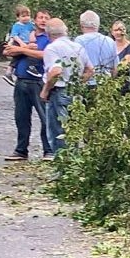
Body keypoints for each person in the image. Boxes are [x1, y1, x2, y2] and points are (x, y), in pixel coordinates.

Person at [2, 9, 51, 161]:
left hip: (39, 82)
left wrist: (21, 50)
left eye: (46, 18)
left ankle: (48, 150)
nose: (43, 20)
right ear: (34, 21)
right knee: (21, 117)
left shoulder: (49, 38)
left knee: (45, 117)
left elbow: (45, 55)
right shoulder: (26, 34)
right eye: (40, 18)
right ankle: (21, 150)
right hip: (21, 80)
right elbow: (8, 52)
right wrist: (24, 49)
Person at [39, 18, 92, 156]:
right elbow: (90, 70)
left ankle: (62, 162)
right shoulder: (78, 47)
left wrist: (45, 90)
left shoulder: (52, 48)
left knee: (59, 131)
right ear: (65, 31)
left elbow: (56, 71)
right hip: (75, 91)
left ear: (48, 34)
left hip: (59, 91)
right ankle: (73, 160)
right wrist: (79, 83)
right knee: (72, 129)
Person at [74, 10, 119, 85]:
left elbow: (76, 66)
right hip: (106, 84)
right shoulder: (110, 41)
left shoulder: (79, 41)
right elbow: (116, 68)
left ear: (82, 25)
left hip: (87, 84)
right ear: (98, 24)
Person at [1, 5, 35, 86]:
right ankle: (9, 72)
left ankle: (28, 68)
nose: (26, 18)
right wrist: (21, 43)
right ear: (18, 17)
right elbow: (14, 35)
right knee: (18, 57)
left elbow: (34, 30)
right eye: (23, 16)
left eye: (28, 16)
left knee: (25, 56)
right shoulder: (17, 25)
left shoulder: (30, 24)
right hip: (18, 42)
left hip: (27, 43)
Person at [112, 20, 130, 93]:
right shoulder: (110, 46)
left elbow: (126, 64)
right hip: (114, 86)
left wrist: (110, 72)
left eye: (121, 30)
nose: (118, 32)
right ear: (112, 32)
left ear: (125, 31)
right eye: (116, 30)